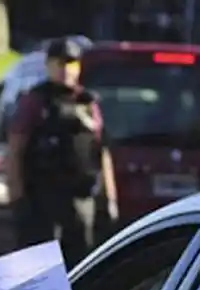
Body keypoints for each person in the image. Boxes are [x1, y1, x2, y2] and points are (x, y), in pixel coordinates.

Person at [6, 37, 118, 268]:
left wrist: (109, 199)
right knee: (40, 269)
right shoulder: (36, 101)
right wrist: (17, 197)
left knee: (79, 265)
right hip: (43, 199)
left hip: (80, 198)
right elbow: (16, 149)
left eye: (71, 63)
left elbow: (101, 151)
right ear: (49, 66)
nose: (66, 69)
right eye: (60, 63)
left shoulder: (87, 103)